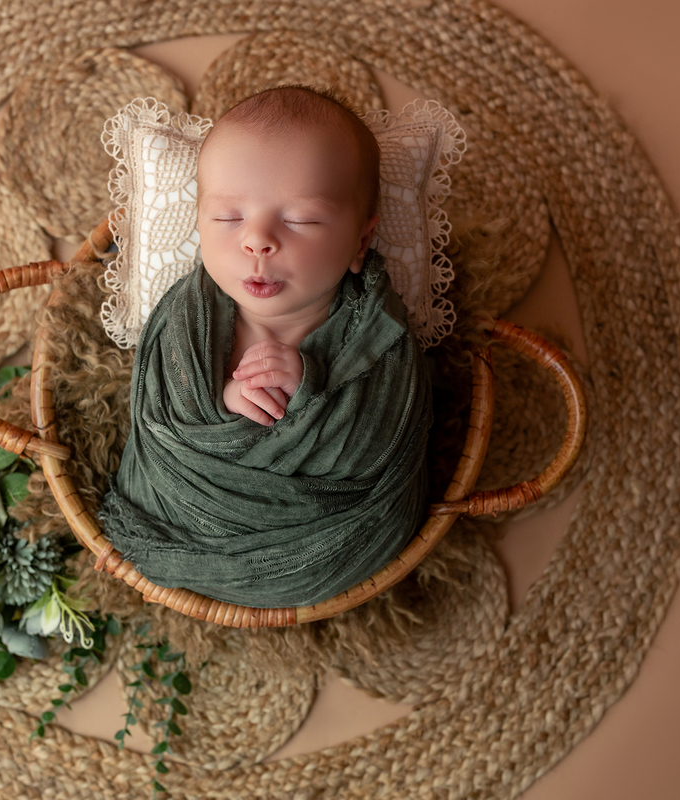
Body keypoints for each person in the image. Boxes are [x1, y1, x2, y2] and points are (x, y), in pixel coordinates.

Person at [98, 86, 433, 608]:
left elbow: (384, 428)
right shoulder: (186, 322)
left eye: (299, 219)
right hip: (177, 515)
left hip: (330, 544)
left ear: (361, 242)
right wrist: (225, 403)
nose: (257, 240)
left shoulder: (379, 334)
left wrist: (313, 391)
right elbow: (162, 417)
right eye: (229, 218)